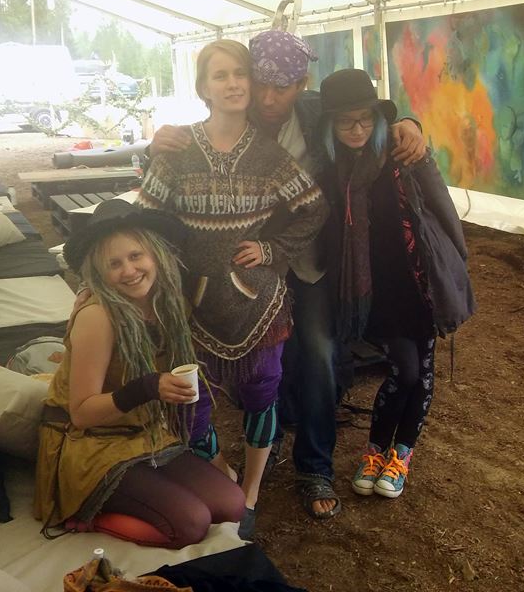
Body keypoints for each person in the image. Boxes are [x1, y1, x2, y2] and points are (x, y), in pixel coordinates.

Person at [152, 30, 426, 520]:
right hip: (243, 270)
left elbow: (368, 114)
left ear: (301, 85)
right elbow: (185, 156)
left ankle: (314, 466)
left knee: (318, 353)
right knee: (261, 361)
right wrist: (159, 140)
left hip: (310, 258)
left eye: (282, 87)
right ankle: (268, 439)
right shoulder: (235, 113)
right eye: (260, 83)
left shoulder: (317, 110)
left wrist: (410, 122)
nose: (268, 97)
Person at [137, 39, 328, 539]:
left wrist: (272, 250)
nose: (233, 84)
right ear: (203, 87)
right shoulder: (178, 151)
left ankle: (251, 492)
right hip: (189, 305)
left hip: (258, 304)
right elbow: (144, 219)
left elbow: (314, 208)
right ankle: (221, 471)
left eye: (240, 73)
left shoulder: (270, 155)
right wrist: (157, 276)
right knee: (192, 405)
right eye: (220, 75)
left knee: (263, 394)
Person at [33, 199, 245, 548]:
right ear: (98, 272)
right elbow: (82, 413)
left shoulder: (166, 302)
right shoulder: (98, 317)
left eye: (136, 256)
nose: (129, 270)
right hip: (89, 444)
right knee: (190, 525)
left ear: (155, 255)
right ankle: (84, 518)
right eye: (114, 264)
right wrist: (148, 387)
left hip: (141, 432)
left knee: (231, 503)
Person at [316, 68, 475, 499]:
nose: (358, 129)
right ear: (330, 125)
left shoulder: (402, 153)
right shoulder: (330, 170)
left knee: (421, 371)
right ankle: (375, 451)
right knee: (403, 369)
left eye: (365, 119)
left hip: (419, 281)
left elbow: (440, 204)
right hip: (373, 292)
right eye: (346, 121)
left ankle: (399, 454)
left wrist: (455, 265)